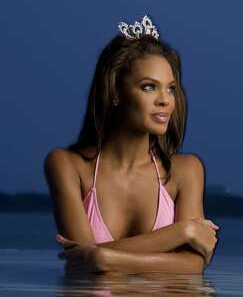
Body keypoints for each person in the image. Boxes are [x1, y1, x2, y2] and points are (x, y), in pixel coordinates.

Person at [44, 14, 220, 275]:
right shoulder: (67, 166)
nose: (165, 100)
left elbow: (193, 266)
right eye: (149, 87)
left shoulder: (186, 171)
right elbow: (80, 265)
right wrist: (184, 231)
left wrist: (104, 258)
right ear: (115, 93)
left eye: (171, 89)